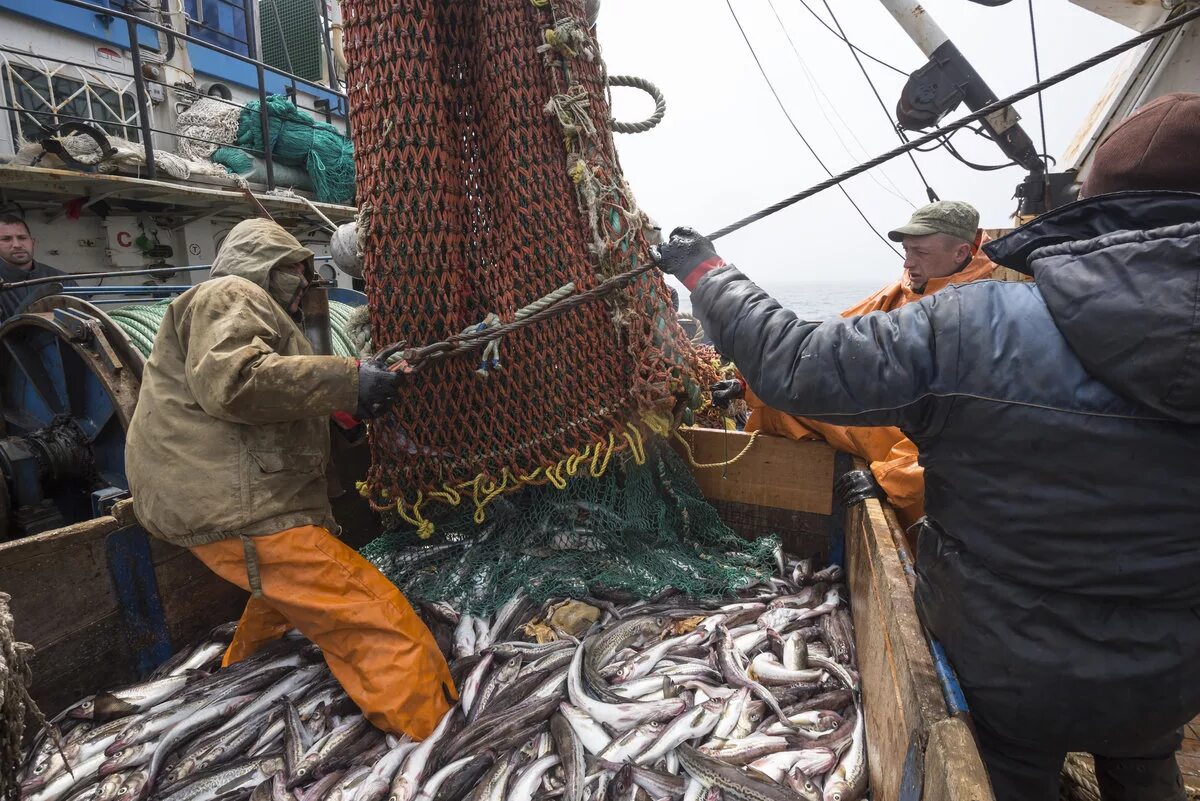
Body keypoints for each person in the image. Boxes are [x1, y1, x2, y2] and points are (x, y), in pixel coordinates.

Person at [657, 91, 1200, 801]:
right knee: (1142, 761)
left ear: (1091, 201)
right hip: (1170, 674)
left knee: (1006, 776)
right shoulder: (971, 308)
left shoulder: (973, 322)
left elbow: (798, 364)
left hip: (1007, 675)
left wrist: (708, 275)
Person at [124, 218, 456, 740]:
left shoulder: (251, 312)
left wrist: (352, 400)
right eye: (296, 270)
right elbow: (235, 383)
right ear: (266, 266)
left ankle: (234, 686)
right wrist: (349, 380)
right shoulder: (230, 293)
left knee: (278, 602)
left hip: (224, 503)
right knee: (376, 619)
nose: (307, 282)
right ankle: (433, 739)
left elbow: (279, 398)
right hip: (239, 509)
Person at [714, 201, 998, 528]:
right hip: (872, 430)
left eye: (921, 253)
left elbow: (963, 436)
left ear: (961, 252)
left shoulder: (976, 316)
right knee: (778, 405)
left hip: (920, 465)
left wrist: (889, 480)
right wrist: (749, 386)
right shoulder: (902, 289)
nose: (908, 262)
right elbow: (827, 347)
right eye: (906, 250)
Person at [0, 214, 76, 323]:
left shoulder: (61, 279)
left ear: (32, 242)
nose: (17, 245)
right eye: (6, 239)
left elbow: (88, 319)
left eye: (22, 238)